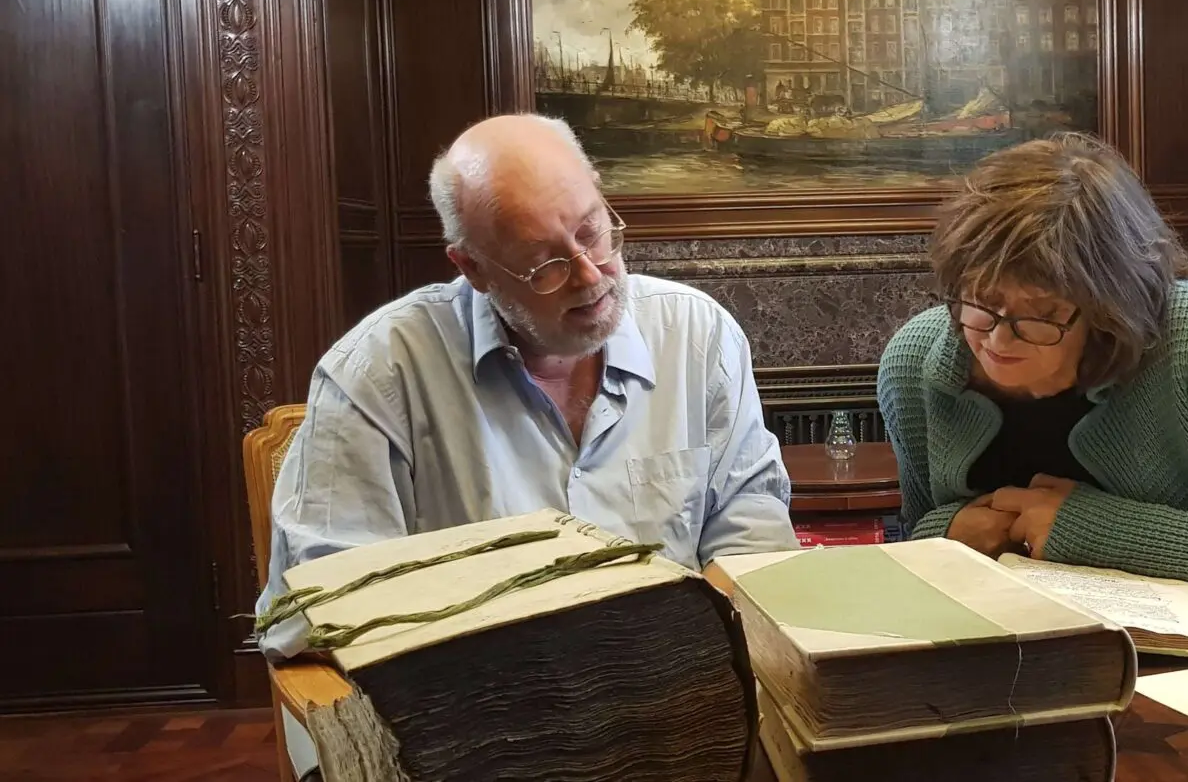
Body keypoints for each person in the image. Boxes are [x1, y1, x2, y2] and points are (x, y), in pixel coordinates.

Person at [256, 113, 799, 664]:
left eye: (591, 232)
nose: (591, 275)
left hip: (680, 682)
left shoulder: (698, 336)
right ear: (472, 267)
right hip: (480, 695)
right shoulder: (377, 372)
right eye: (544, 264)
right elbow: (320, 606)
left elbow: (749, 526)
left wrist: (704, 650)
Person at [876, 133, 1188, 600]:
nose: (997, 338)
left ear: (1108, 309)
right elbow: (922, 534)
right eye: (982, 302)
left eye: (1042, 314)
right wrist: (946, 532)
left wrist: (1090, 531)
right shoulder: (914, 360)